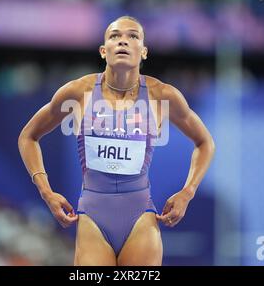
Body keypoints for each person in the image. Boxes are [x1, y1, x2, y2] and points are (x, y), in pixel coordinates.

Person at [18, 16, 215, 266]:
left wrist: (188, 191)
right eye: (115, 36)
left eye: (133, 36)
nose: (123, 41)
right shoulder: (78, 92)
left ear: (143, 51)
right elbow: (28, 136)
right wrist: (46, 192)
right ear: (104, 50)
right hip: (93, 216)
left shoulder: (162, 95)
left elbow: (205, 143)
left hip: (140, 218)